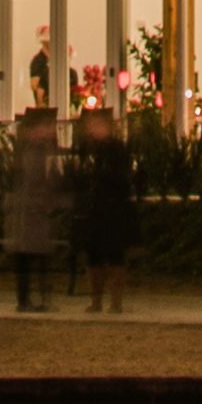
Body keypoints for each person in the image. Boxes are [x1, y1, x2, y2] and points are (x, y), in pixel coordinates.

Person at [68, 111, 143, 317]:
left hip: (113, 209)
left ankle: (115, 302)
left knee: (114, 257)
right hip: (95, 209)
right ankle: (96, 299)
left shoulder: (115, 149)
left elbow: (122, 180)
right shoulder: (88, 149)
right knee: (94, 258)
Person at [2, 100, 70, 313]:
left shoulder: (31, 150)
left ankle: (33, 298)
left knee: (34, 255)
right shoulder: (32, 151)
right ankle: (31, 299)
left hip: (31, 210)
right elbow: (35, 178)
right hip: (30, 209)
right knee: (33, 255)